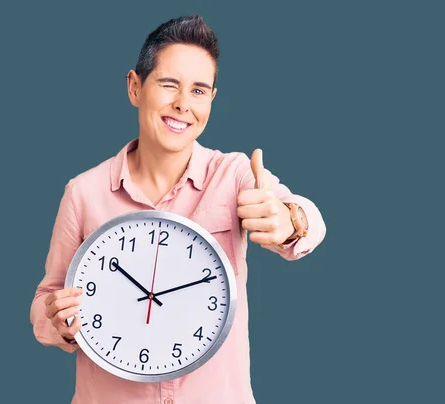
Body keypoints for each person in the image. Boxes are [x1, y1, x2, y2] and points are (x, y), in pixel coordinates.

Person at [30, 14, 326, 404]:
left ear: (212, 100)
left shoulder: (234, 174)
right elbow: (46, 300)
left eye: (199, 91)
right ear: (135, 87)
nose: (183, 105)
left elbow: (308, 218)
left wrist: (290, 220)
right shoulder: (84, 192)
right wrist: (56, 320)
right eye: (169, 85)